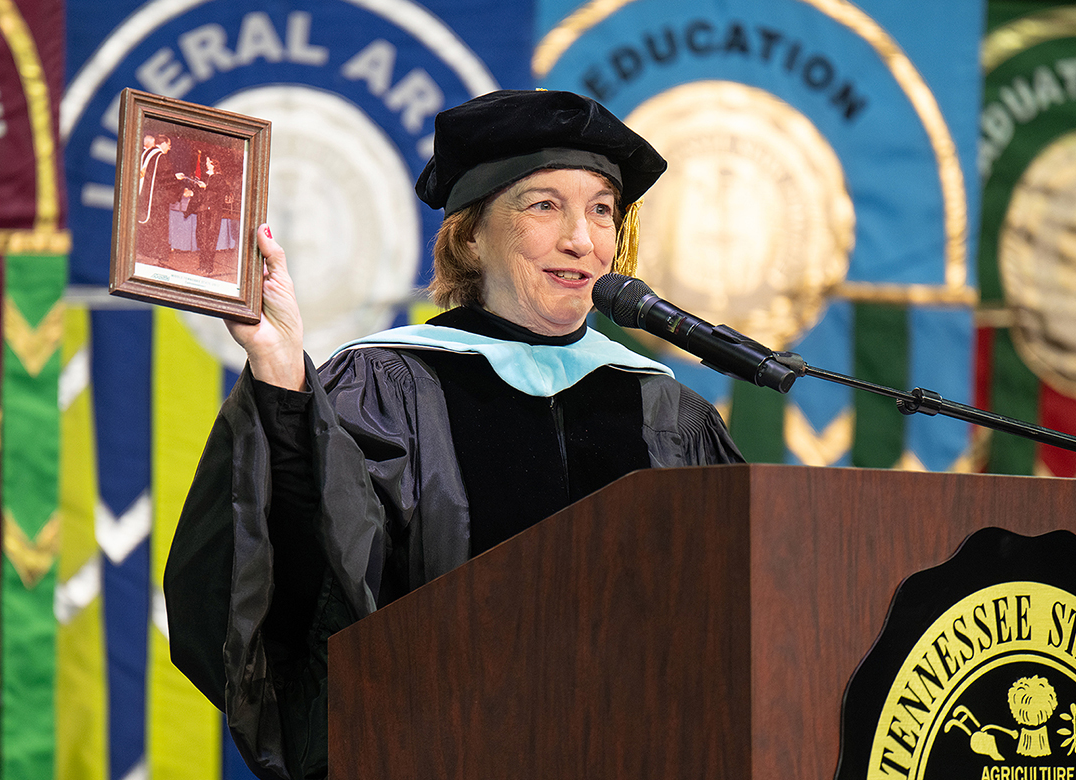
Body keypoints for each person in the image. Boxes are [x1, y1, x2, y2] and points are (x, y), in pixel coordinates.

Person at [163, 89, 743, 780]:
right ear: (470, 234)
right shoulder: (386, 387)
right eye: (544, 205)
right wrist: (283, 371)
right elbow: (307, 587)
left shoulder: (667, 411)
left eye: (601, 210)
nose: (582, 240)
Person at [137, 134, 185, 263]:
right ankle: (157, 254)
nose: (169, 148)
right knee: (159, 228)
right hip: (157, 201)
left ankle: (144, 250)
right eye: (169, 145)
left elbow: (156, 177)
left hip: (145, 197)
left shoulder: (147, 154)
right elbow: (167, 181)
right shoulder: (161, 157)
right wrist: (177, 180)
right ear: (163, 144)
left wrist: (173, 176)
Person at [183, 155, 232, 274]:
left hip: (213, 213)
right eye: (206, 161)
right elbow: (200, 194)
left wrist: (207, 187)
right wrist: (192, 193)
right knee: (202, 238)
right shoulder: (206, 177)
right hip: (203, 211)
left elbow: (220, 191)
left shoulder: (220, 178)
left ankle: (209, 266)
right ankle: (202, 264)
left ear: (214, 163)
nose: (206, 163)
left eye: (208, 161)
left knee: (211, 239)